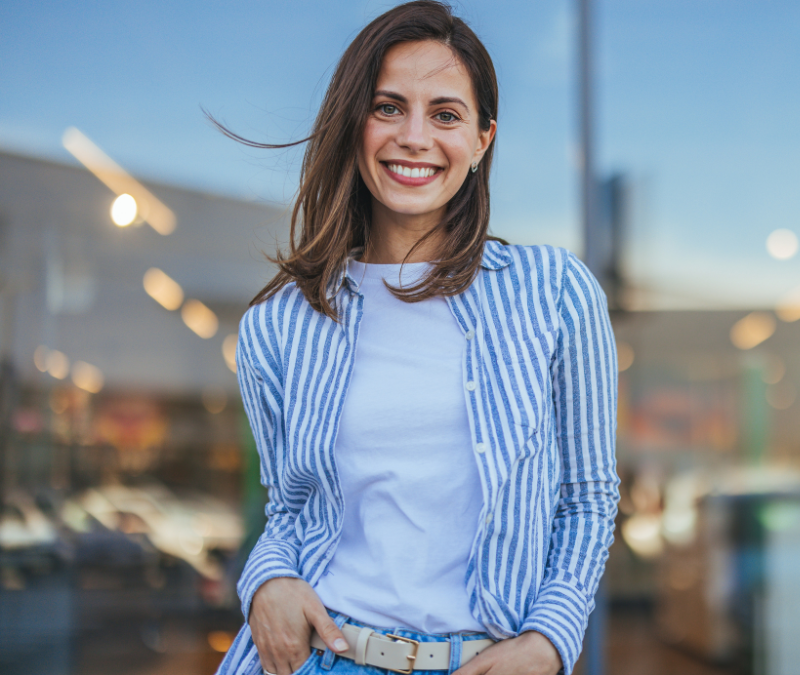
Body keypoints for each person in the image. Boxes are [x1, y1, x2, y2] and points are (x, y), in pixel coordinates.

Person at [213, 3, 620, 674]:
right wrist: (266, 579)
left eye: (446, 114)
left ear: (483, 140)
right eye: (388, 107)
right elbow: (288, 508)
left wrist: (552, 640)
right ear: (355, 124)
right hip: (321, 657)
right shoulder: (279, 323)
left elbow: (587, 496)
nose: (414, 136)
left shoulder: (555, 293)